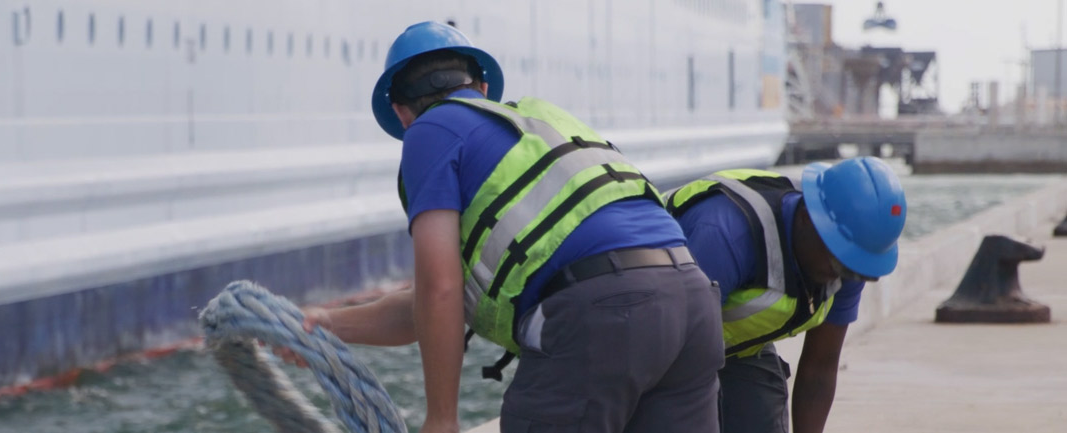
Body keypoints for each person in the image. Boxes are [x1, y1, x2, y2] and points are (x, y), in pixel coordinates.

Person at [281, 21, 723, 433]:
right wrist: (327, 323)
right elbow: (428, 307)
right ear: (484, 87)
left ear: (401, 114)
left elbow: (440, 289)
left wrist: (441, 419)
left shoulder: (429, 131)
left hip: (603, 313)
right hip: (692, 303)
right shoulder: (542, 122)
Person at [662, 158, 907, 433]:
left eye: (857, 270)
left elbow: (820, 367)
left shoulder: (845, 262)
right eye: (840, 263)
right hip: (661, 342)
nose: (843, 278)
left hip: (736, 348)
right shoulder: (726, 235)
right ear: (805, 219)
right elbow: (671, 361)